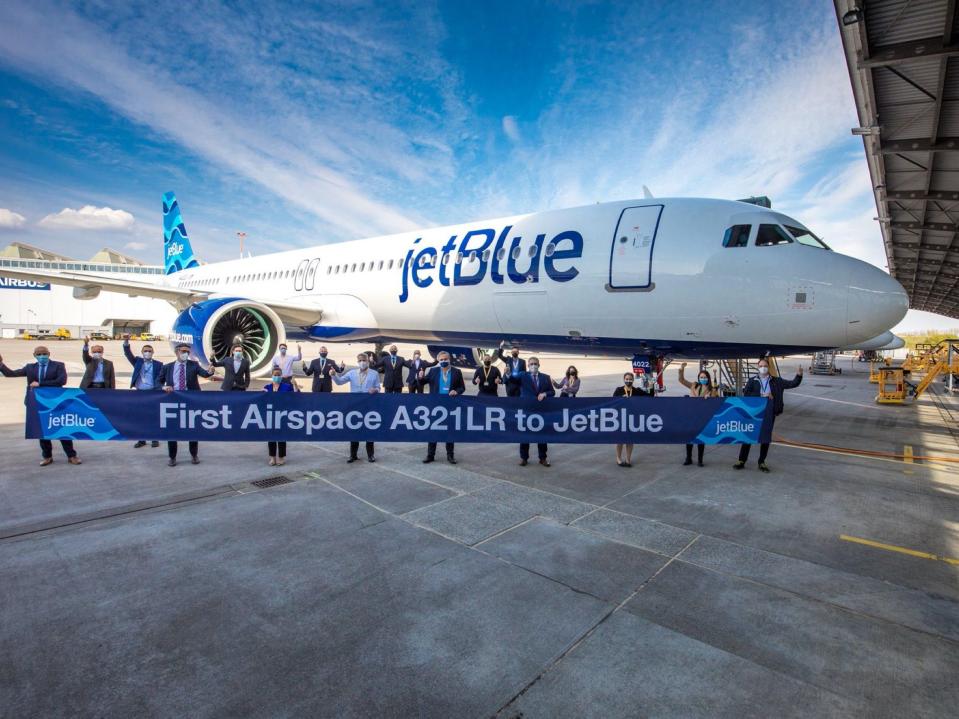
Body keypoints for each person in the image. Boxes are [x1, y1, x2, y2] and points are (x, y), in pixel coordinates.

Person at [0, 346, 81, 466]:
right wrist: (1, 364)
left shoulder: (58, 365)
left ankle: (71, 456)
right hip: (37, 403)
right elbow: (10, 374)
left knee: (62, 429)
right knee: (42, 431)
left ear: (49, 354)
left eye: (44, 353)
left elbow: (61, 381)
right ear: (34, 355)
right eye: (39, 354)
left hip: (55, 403)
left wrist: (40, 384)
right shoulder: (30, 367)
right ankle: (47, 456)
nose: (42, 356)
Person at [734, 358, 803, 472]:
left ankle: (762, 462)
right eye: (761, 366)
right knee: (749, 436)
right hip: (755, 413)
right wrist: (761, 395)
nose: (763, 368)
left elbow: (792, 384)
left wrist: (799, 375)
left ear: (769, 367)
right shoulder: (752, 381)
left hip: (769, 413)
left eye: (765, 365)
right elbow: (746, 395)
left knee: (765, 438)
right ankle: (742, 460)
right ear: (758, 367)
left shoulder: (776, 381)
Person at [162, 344, 215, 466]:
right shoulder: (168, 367)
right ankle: (172, 457)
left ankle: (194, 454)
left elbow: (205, 374)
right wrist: (164, 386)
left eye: (187, 352)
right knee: (172, 431)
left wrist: (210, 371)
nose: (186, 354)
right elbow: (158, 380)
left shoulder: (194, 365)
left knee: (192, 430)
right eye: (183, 351)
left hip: (190, 403)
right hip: (174, 403)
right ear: (177, 352)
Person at [331, 353, 381, 462]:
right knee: (354, 430)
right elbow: (339, 382)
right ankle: (353, 455)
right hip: (355, 406)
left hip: (369, 406)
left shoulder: (374, 374)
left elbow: (378, 387)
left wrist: (375, 390)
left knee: (369, 430)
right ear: (357, 362)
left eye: (364, 360)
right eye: (360, 360)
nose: (362, 362)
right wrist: (334, 375)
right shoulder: (352, 373)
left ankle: (370, 455)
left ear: (368, 361)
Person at [421, 351, 465, 464]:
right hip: (435, 406)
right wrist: (420, 377)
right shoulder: (433, 371)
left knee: (449, 431)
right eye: (441, 360)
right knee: (433, 431)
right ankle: (430, 455)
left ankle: (450, 456)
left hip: (450, 406)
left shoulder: (457, 372)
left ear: (449, 359)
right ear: (438, 361)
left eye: (445, 359)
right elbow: (422, 382)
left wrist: (457, 391)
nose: (443, 361)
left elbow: (462, 387)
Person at [123, 335, 163, 448]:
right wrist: (126, 341)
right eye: (145, 351)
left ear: (153, 352)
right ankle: (141, 439)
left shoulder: (158, 364)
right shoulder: (137, 362)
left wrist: (161, 389)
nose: (147, 353)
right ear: (142, 352)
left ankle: (155, 438)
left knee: (153, 416)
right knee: (140, 416)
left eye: (149, 351)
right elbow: (127, 354)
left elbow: (161, 378)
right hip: (139, 392)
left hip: (152, 393)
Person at [678, 362, 718, 467]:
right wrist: (682, 369)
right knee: (689, 437)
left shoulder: (711, 389)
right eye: (701, 377)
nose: (703, 378)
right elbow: (681, 380)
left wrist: (710, 396)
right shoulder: (694, 385)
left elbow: (715, 399)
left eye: (704, 377)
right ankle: (688, 458)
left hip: (702, 416)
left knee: (701, 438)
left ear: (708, 378)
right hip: (691, 414)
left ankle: (700, 460)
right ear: (698, 378)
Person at [518, 357, 555, 466]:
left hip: (541, 411)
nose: (533, 366)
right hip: (527, 410)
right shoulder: (523, 376)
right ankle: (524, 458)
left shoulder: (546, 377)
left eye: (535, 364)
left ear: (539, 365)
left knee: (542, 435)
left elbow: (552, 392)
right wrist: (507, 373)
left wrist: (545, 394)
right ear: (528, 366)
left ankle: (542, 458)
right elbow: (510, 380)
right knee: (525, 435)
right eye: (531, 364)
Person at [263, 367, 293, 465]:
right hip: (271, 415)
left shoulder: (287, 387)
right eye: (275, 375)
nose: (277, 376)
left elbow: (295, 397)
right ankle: (272, 457)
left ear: (281, 375)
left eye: (278, 375)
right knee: (271, 437)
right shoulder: (267, 387)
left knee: (281, 437)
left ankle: (281, 457)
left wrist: (296, 385)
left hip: (282, 414)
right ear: (272, 376)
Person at [612, 372, 642, 467]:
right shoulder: (619, 390)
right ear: (624, 379)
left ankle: (628, 459)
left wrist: (651, 386)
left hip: (632, 418)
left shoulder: (637, 391)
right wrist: (621, 398)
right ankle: (618, 458)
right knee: (620, 440)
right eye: (627, 379)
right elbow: (612, 402)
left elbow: (649, 395)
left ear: (633, 380)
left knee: (630, 440)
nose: (628, 381)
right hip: (620, 418)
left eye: (630, 379)